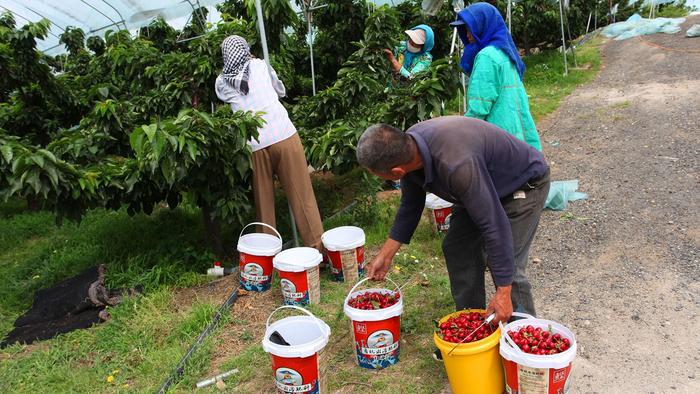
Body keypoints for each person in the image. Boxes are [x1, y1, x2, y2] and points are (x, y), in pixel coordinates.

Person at [356, 116, 550, 358]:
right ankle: (471, 329)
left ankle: (524, 346)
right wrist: (385, 255)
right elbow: (410, 206)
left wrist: (502, 292)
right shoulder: (410, 148)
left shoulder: (456, 164)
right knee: (458, 247)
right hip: (480, 186)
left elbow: (494, 226)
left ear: (395, 172)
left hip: (522, 185)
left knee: (509, 263)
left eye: (376, 175)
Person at [215, 35, 324, 250]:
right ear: (246, 50)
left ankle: (266, 258)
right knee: (302, 196)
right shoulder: (260, 65)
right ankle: (317, 250)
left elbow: (224, 97)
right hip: (283, 135)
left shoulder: (221, 81)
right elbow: (280, 90)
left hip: (255, 145)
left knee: (263, 205)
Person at [451, 3, 542, 151]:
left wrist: (458, 136)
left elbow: (479, 107)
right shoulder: (505, 52)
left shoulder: (486, 57)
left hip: (499, 139)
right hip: (518, 134)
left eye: (470, 29)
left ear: (483, 26)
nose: (467, 35)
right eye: (465, 30)